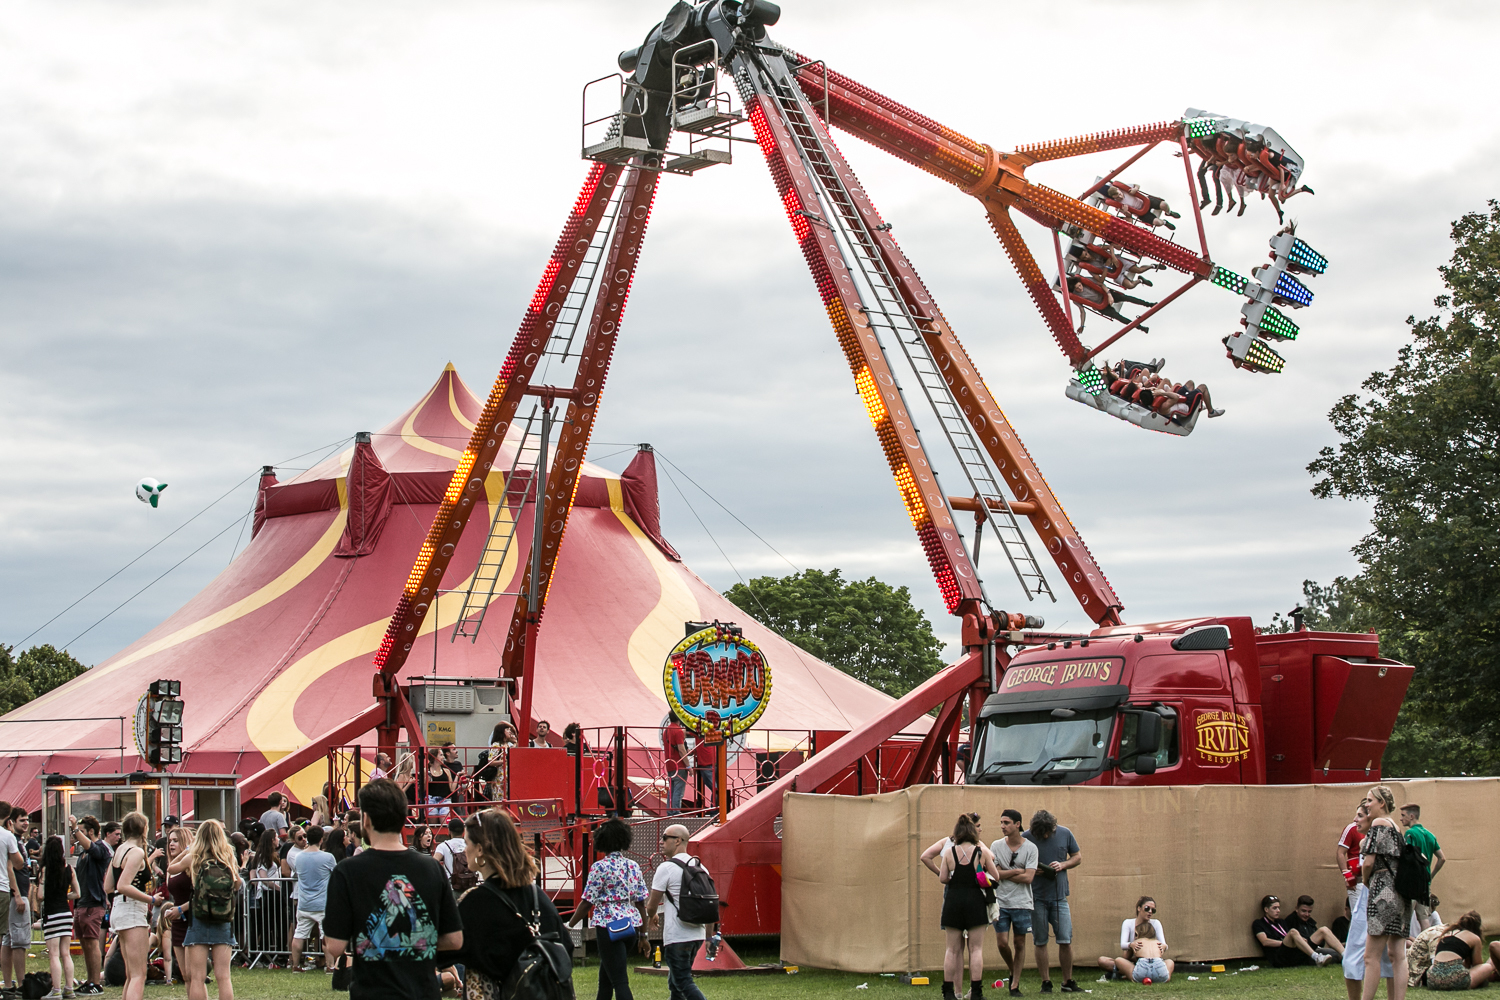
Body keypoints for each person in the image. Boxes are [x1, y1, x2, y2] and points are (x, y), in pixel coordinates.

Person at [324, 779, 462, 1000]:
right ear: (402, 819)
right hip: (422, 991)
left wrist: (381, 941)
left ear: (366, 820)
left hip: (372, 991)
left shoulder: (347, 871)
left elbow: (335, 945)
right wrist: (414, 940)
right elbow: (454, 939)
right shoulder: (431, 868)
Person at [454, 808, 565, 996]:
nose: (464, 850)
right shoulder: (538, 897)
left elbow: (446, 949)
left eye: (466, 843)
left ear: (480, 849)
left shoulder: (475, 903)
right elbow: (565, 946)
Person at [569, 818, 647, 1000]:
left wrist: (570, 925)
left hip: (608, 926)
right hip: (631, 927)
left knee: (620, 982)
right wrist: (643, 936)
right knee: (606, 978)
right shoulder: (633, 866)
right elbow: (641, 903)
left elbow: (587, 902)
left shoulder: (599, 867)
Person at [163, 819, 241, 1000]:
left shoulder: (195, 857)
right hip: (223, 919)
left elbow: (171, 868)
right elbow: (237, 883)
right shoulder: (227, 856)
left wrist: (186, 851)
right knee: (224, 977)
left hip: (199, 918)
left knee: (197, 978)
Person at [647, 825, 714, 1000]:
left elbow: (651, 905)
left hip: (677, 936)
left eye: (665, 838)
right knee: (675, 985)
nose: (661, 842)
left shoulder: (666, 868)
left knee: (683, 981)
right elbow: (710, 905)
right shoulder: (701, 867)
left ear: (677, 841)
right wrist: (708, 937)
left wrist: (652, 915)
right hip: (697, 936)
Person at [938, 814, 998, 1000]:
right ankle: (976, 992)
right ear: (973, 832)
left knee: (952, 950)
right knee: (976, 949)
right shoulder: (981, 852)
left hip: (953, 901)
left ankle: (949, 992)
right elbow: (996, 876)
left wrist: (955, 880)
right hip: (975, 901)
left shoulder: (950, 852)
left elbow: (943, 878)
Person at [1024, 809, 1083, 993]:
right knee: (1040, 940)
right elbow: (1017, 864)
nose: (1045, 836)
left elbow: (1077, 857)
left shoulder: (1065, 833)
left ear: (1053, 828)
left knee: (1065, 939)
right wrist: (1032, 870)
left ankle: (1068, 981)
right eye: (1041, 834)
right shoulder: (1026, 837)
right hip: (1036, 898)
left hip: (1059, 897)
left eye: (1047, 833)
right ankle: (1046, 982)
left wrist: (1062, 865)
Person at [1360, 785, 1410, 1000]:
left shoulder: (1379, 823)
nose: (1366, 804)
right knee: (1398, 955)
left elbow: (1368, 862)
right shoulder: (1397, 828)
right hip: (1401, 892)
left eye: (1370, 800)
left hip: (1383, 890)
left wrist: (1365, 880)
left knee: (1370, 957)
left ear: (1382, 803)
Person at [102, 812, 155, 1000]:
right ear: (144, 829)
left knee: (131, 974)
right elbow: (123, 885)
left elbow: (108, 886)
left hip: (119, 909)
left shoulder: (119, 850)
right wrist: (151, 900)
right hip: (132, 910)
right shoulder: (137, 852)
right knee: (139, 974)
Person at [989, 810, 1036, 997]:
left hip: (1022, 902)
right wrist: (1017, 871)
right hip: (1000, 901)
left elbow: (1029, 878)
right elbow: (995, 875)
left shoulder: (1031, 848)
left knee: (1019, 943)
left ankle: (1015, 985)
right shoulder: (996, 845)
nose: (1002, 826)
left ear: (1017, 824)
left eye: (1006, 822)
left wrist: (1005, 873)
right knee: (1002, 943)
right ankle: (1013, 969)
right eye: (1001, 822)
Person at [70, 816, 118, 995]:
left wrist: (75, 828)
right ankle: (89, 981)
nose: (77, 836)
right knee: (85, 944)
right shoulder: (83, 853)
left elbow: (91, 847)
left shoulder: (101, 848)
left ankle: (96, 983)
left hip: (94, 903)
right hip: (82, 903)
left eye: (82, 832)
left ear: (91, 832)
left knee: (92, 943)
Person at [290, 825, 336, 974]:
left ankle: (295, 965)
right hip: (322, 903)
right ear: (321, 840)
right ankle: (330, 966)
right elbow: (336, 875)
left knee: (299, 934)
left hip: (304, 903)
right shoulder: (327, 857)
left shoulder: (299, 857)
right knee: (326, 936)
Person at [39, 835, 79, 1000]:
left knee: (54, 954)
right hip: (66, 914)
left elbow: (40, 896)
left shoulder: (45, 870)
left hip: (52, 915)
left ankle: (56, 990)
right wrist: (64, 896)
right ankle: (69, 988)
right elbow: (77, 893)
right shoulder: (69, 869)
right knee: (66, 954)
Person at [1422, 911, 1500, 990]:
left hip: (1432, 981)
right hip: (1456, 980)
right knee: (1488, 967)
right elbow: (1477, 965)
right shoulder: (1474, 937)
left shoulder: (1446, 935)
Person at [1252, 895, 1332, 968]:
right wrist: (1283, 942)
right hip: (1278, 957)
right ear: (1266, 909)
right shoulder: (1259, 923)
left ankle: (1340, 953)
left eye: (1279, 908)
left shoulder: (1281, 922)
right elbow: (1265, 941)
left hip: (1291, 953)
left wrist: (1300, 940)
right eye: (1274, 908)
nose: (1278, 911)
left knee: (1323, 929)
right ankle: (1316, 957)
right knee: (1293, 931)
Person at [1398, 805, 1445, 929]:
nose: (1401, 819)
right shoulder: (1430, 835)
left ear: (1411, 816)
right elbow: (1442, 858)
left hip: (1412, 882)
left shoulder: (1410, 833)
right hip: (1425, 883)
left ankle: (1402, 941)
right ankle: (1427, 940)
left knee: (1405, 917)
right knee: (1423, 917)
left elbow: (1406, 856)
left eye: (1403, 815)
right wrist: (1430, 875)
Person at [1099, 897, 1167, 980]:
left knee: (1169, 962)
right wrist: (1132, 945)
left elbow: (1164, 944)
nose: (1150, 911)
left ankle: (1123, 973)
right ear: (1139, 908)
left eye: (1153, 910)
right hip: (1131, 959)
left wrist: (1164, 946)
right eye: (1147, 908)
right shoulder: (1128, 923)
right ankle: (1129, 972)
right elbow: (1123, 945)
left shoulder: (1156, 923)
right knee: (1103, 961)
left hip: (1149, 960)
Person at [161, 825, 196, 984]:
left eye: (176, 841)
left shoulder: (191, 863)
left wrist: (182, 908)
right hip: (177, 920)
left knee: (193, 975)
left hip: (192, 918)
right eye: (170, 841)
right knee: (185, 976)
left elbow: (200, 894)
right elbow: (170, 870)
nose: (171, 844)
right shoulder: (173, 866)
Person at [1, 804, 28, 994]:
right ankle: (18, 984)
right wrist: (17, 895)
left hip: (9, 891)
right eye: (22, 820)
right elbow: (14, 866)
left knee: (7, 940)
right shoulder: (9, 837)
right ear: (10, 820)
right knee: (15, 940)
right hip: (9, 892)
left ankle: (8, 984)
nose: (26, 823)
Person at [663, 717, 688, 815]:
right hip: (679, 765)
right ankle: (676, 811)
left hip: (670, 764)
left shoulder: (666, 731)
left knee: (672, 790)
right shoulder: (678, 731)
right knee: (678, 791)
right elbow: (681, 750)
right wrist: (688, 766)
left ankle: (670, 811)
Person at [424, 747, 457, 821]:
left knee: (445, 824)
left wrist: (457, 776)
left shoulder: (446, 771)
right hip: (431, 800)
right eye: (441, 755)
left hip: (445, 800)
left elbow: (452, 789)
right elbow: (424, 789)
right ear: (434, 757)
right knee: (433, 825)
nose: (443, 757)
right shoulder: (426, 771)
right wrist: (426, 780)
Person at [692, 734, 716, 806]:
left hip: (707, 763)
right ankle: (715, 810)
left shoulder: (698, 732)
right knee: (716, 789)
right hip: (710, 762)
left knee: (716, 789)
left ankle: (715, 809)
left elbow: (685, 731)